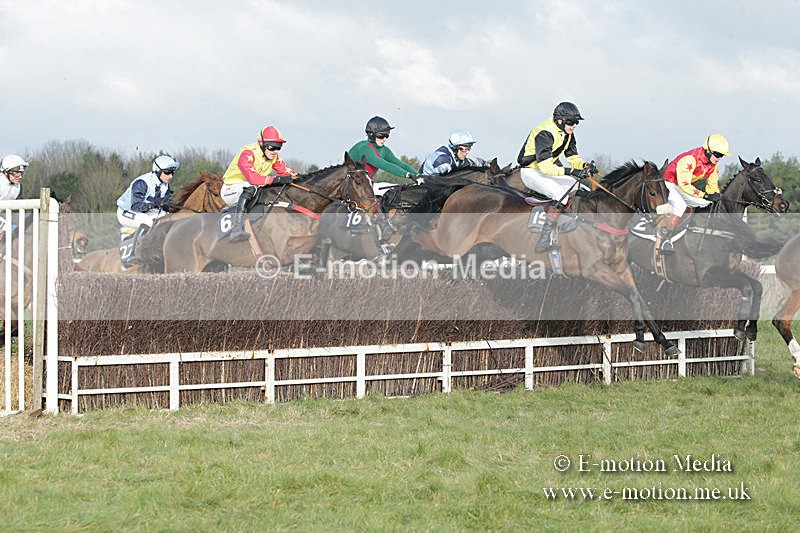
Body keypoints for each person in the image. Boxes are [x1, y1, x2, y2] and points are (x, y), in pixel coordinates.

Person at [517, 102, 596, 252]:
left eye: (576, 123)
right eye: (571, 122)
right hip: (531, 172)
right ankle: (544, 238)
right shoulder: (545, 133)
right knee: (561, 195)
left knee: (582, 189)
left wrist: (584, 166)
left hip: (547, 171)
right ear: (560, 120)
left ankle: (571, 224)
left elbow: (572, 157)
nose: (574, 126)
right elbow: (545, 167)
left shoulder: (568, 134)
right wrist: (571, 172)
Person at [221, 125, 299, 243]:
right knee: (251, 188)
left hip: (251, 188)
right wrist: (277, 179)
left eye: (279, 147)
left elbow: (289, 173)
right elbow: (253, 178)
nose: (275, 152)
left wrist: (303, 180)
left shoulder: (273, 157)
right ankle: (236, 229)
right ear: (262, 144)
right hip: (230, 189)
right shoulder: (248, 153)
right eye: (272, 147)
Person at [658, 134, 729, 251]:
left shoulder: (713, 166)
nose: (719, 158)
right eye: (717, 154)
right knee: (680, 205)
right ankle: (665, 237)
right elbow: (684, 185)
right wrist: (704, 195)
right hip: (668, 183)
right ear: (708, 151)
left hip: (681, 187)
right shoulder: (689, 159)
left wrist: (715, 197)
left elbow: (712, 187)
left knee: (705, 203)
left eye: (722, 156)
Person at [116, 154, 179, 266]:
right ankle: (133, 253)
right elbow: (136, 206)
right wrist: (154, 204)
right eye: (167, 172)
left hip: (144, 210)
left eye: (172, 173)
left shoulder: (165, 185)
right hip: (127, 211)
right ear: (157, 171)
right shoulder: (142, 183)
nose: (170, 176)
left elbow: (166, 206)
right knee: (148, 222)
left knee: (167, 219)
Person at [348, 116, 418, 182]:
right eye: (381, 135)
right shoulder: (364, 148)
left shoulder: (384, 150)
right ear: (371, 134)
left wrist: (419, 175)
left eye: (387, 135)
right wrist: (407, 175)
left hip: (362, 184)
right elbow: (384, 165)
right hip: (347, 184)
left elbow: (401, 164)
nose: (384, 139)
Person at [419, 130, 487, 176]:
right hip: (423, 187)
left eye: (469, 149)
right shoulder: (443, 160)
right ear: (454, 148)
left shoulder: (458, 157)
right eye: (464, 149)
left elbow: (476, 162)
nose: (467, 152)